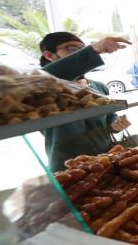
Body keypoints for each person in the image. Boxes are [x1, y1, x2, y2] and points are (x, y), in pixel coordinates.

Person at [39, 32, 132, 172]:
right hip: (67, 167)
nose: (80, 53)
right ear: (49, 55)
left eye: (83, 49)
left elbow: (110, 118)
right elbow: (39, 78)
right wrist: (94, 49)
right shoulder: (46, 88)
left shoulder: (99, 87)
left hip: (104, 160)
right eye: (72, 49)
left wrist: (116, 124)